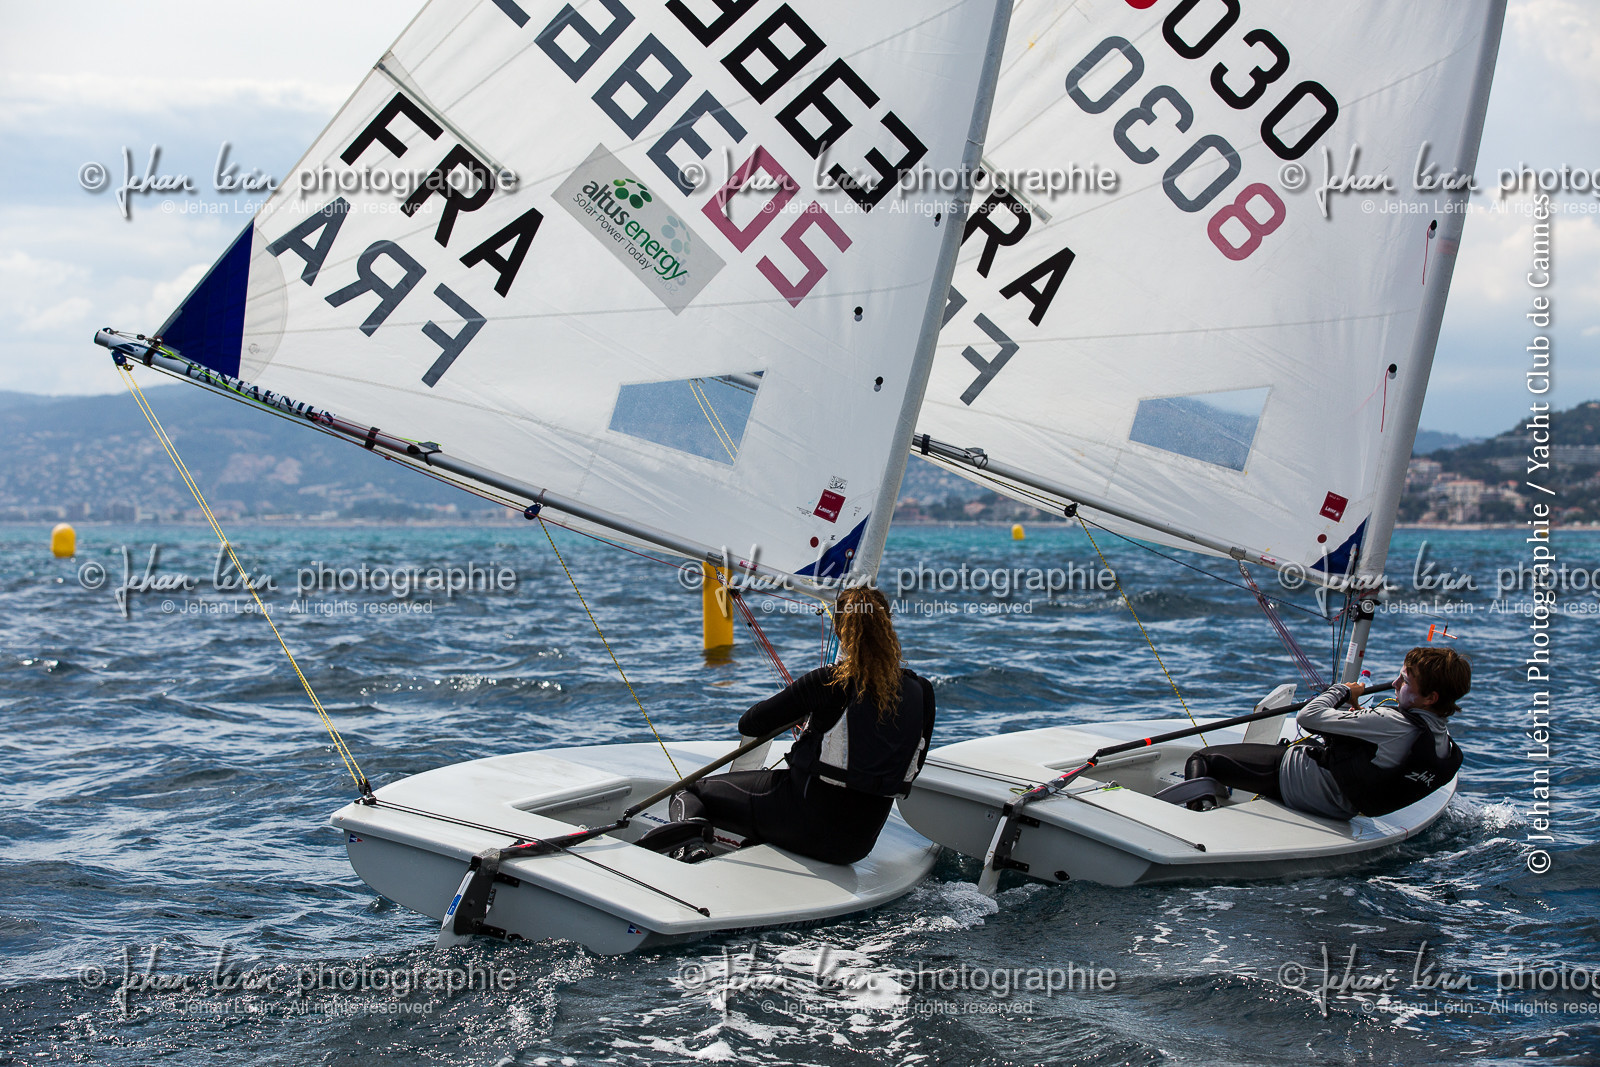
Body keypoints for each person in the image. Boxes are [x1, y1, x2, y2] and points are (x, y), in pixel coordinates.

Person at [638, 585, 936, 865]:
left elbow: (752, 722)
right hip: (855, 847)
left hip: (803, 825)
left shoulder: (829, 682)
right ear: (888, 626)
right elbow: (911, 763)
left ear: (840, 629)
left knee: (691, 791)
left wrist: (807, 710)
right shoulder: (922, 693)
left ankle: (689, 850)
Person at [1182, 646, 1469, 819]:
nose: (1394, 683)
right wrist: (1355, 713)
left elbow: (1308, 716)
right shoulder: (1441, 741)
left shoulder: (1391, 722)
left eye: (1404, 681)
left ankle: (1199, 819)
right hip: (1341, 806)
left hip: (1301, 782)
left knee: (1203, 760)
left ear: (1430, 697)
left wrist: (1342, 690)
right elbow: (1377, 752)